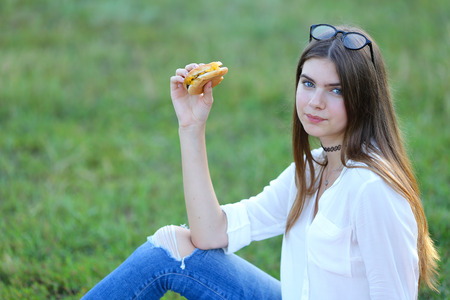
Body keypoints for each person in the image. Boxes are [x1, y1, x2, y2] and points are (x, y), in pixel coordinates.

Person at [82, 24, 439, 300]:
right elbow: (210, 233)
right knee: (172, 247)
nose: (314, 101)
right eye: (308, 82)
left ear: (365, 99)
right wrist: (191, 127)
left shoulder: (373, 190)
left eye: (336, 90)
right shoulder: (314, 170)